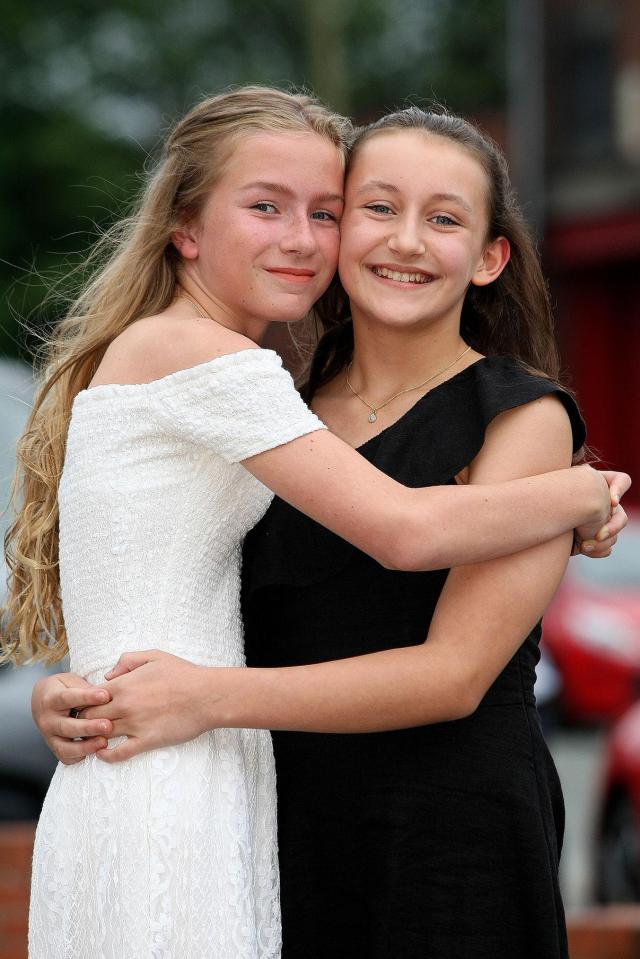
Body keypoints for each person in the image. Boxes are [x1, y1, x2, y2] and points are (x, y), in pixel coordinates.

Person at [17, 89, 627, 959]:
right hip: (285, 822)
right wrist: (81, 691)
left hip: (446, 837)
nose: (404, 240)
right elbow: (209, 584)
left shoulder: (522, 418)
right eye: (374, 208)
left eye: (443, 219)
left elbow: (453, 674)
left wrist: (196, 696)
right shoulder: (279, 407)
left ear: (490, 258)